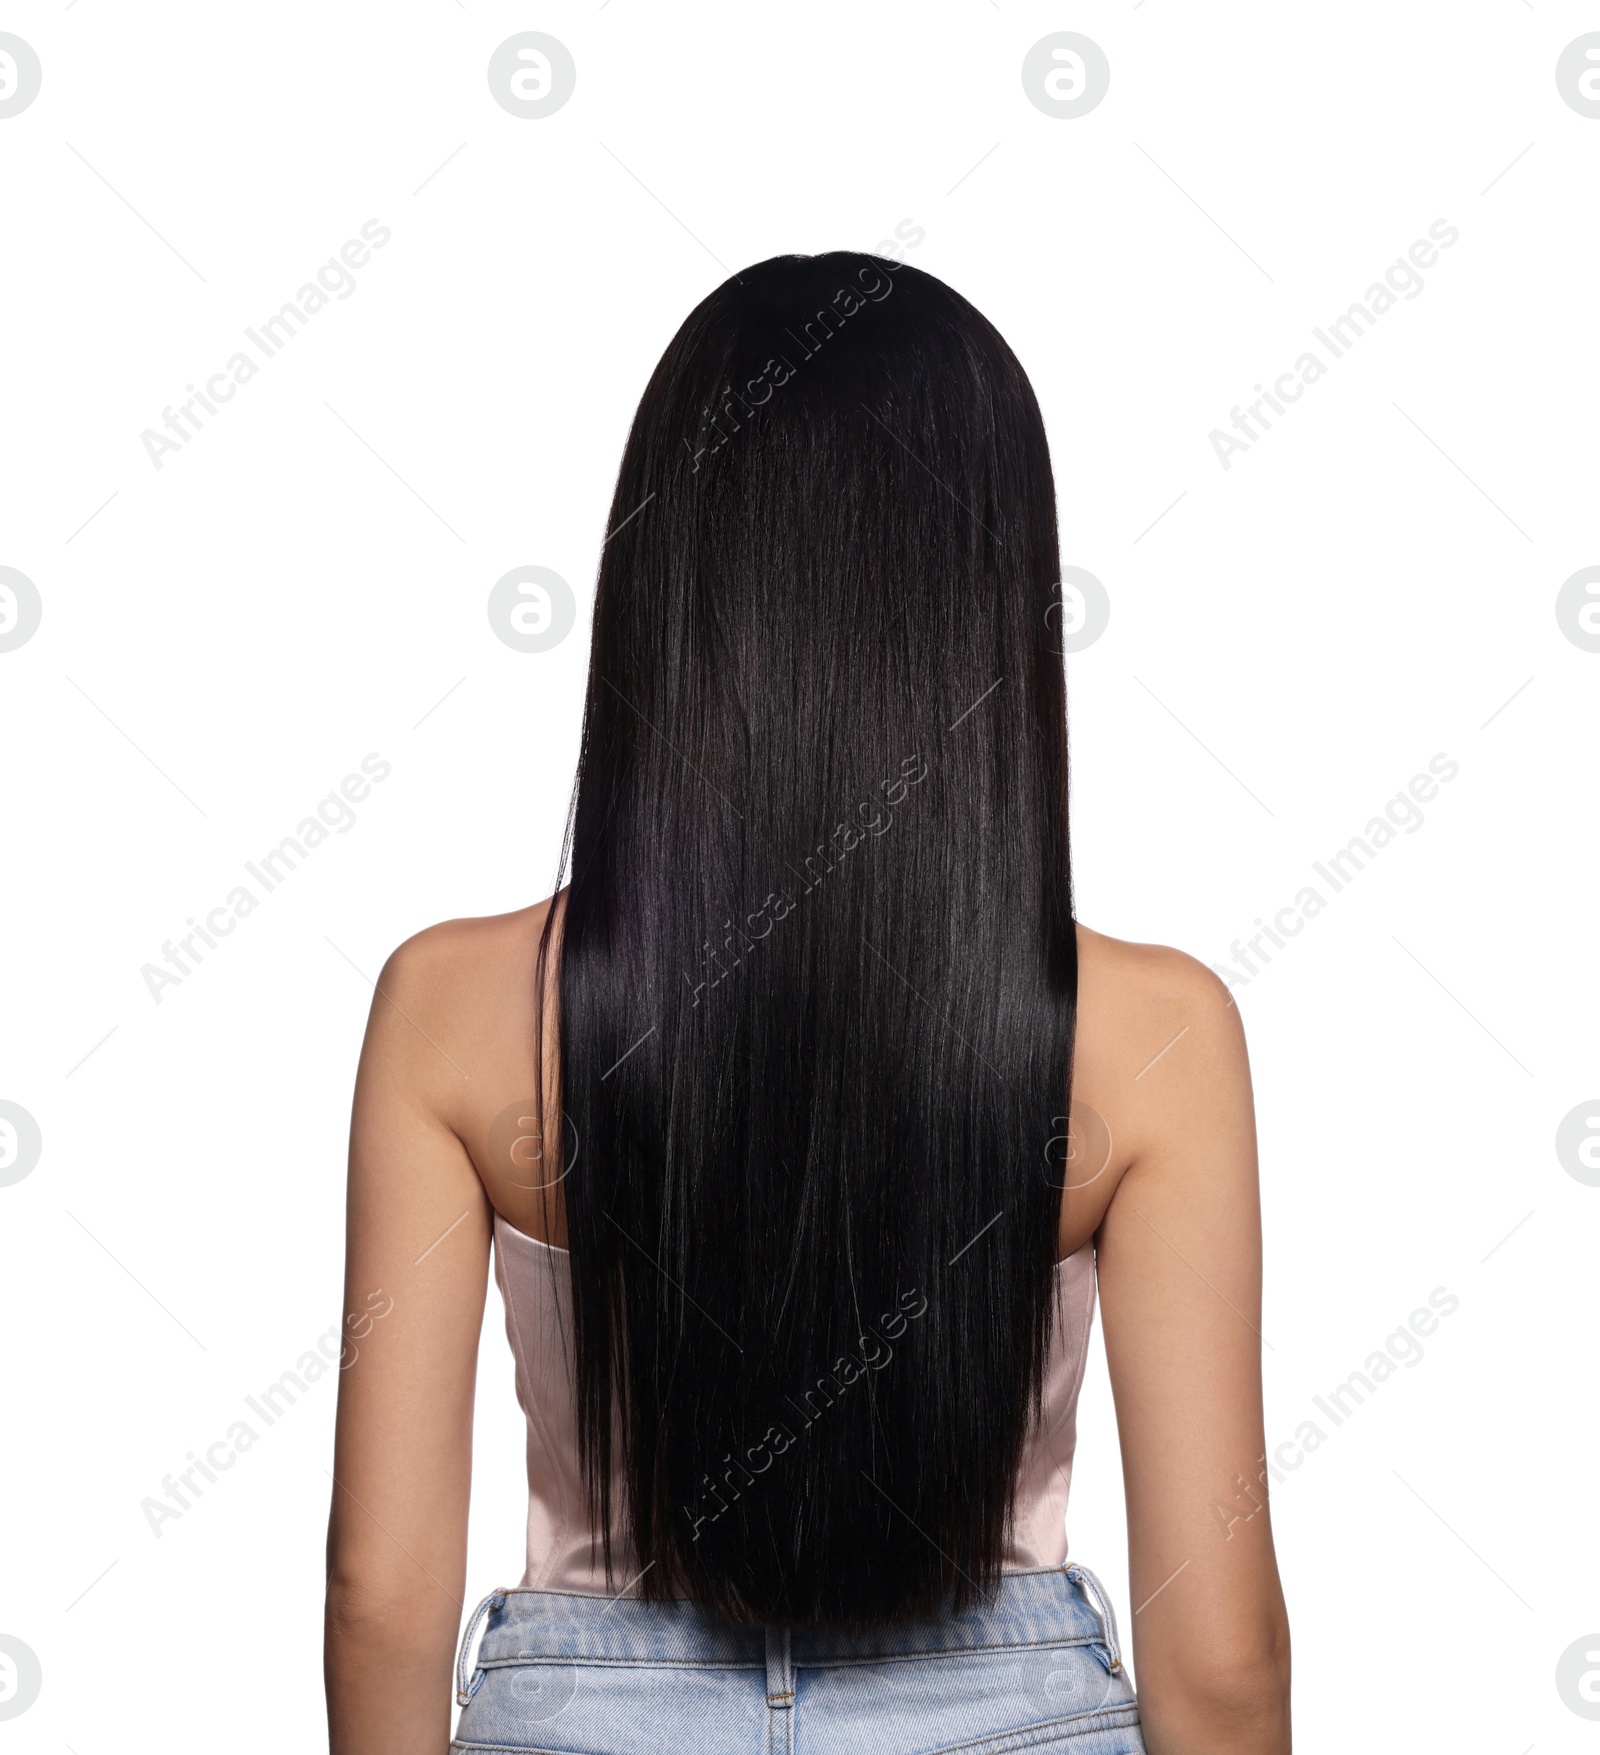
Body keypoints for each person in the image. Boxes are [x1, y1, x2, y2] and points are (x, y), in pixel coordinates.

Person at [324, 253, 1291, 1754]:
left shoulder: (452, 1009)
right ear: (990, 598)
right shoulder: (1150, 1037)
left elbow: (382, 1595)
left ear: (666, 577)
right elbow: (1220, 1661)